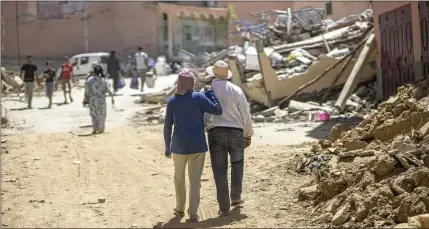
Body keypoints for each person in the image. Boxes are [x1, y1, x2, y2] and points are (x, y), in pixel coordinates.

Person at [163, 68, 222, 223]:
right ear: (191, 83)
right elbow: (217, 110)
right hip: (197, 146)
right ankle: (194, 214)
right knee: (195, 180)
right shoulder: (199, 97)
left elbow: (167, 126)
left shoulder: (172, 101)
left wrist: (167, 146)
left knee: (179, 178)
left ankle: (179, 208)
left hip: (178, 146)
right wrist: (210, 94)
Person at [204, 60, 254, 216]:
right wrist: (248, 134)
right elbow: (245, 114)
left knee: (219, 170)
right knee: (237, 164)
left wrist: (206, 128)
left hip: (215, 132)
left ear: (212, 74)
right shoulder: (236, 90)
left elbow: (204, 113)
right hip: (236, 132)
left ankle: (224, 207)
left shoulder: (207, 90)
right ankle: (236, 197)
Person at [83, 64, 115, 134]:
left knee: (94, 114)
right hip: (101, 100)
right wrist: (112, 98)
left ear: (94, 71)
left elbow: (87, 91)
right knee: (102, 114)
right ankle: (101, 128)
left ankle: (95, 128)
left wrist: (85, 99)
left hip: (92, 100)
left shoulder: (89, 80)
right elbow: (109, 90)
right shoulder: (103, 80)